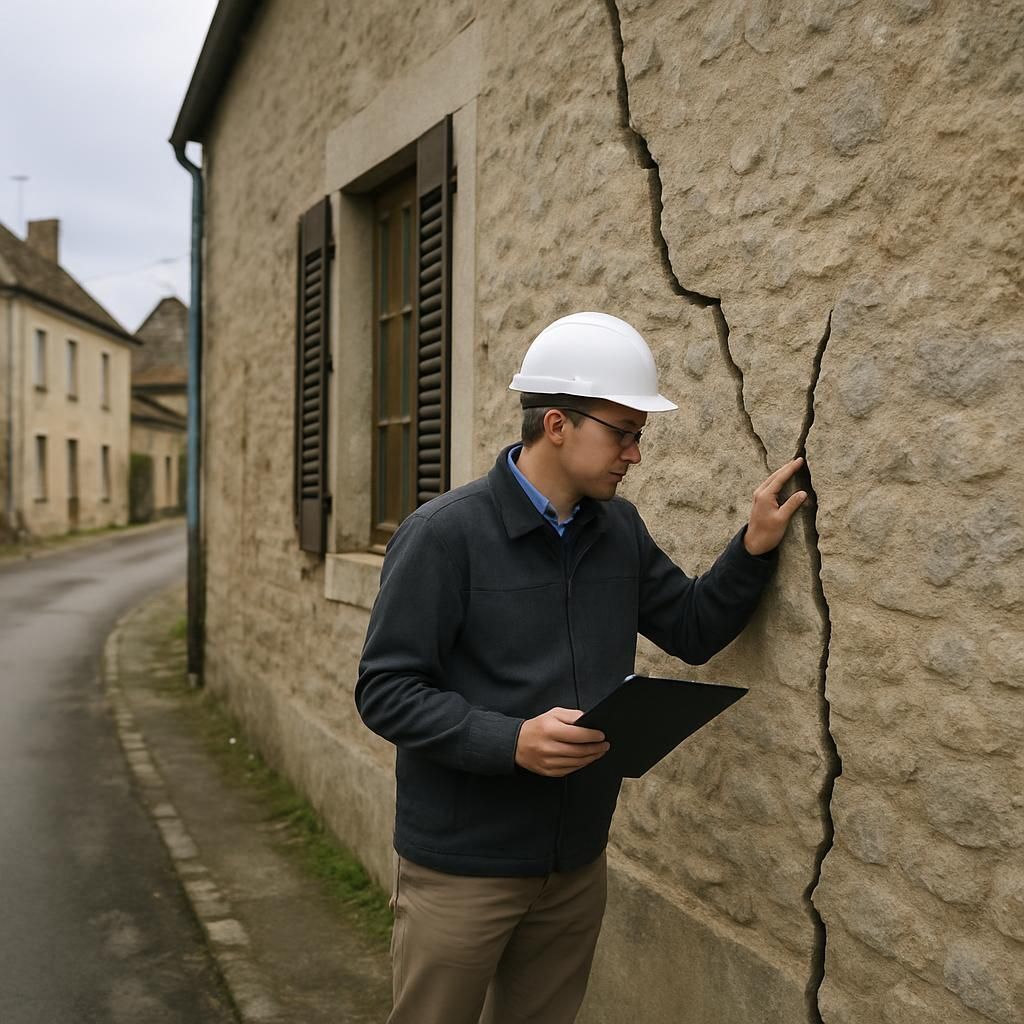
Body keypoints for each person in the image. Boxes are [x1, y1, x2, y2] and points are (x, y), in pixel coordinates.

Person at [355, 311, 806, 1024]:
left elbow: (690, 628)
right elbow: (385, 691)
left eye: (639, 436)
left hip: (575, 862)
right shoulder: (445, 535)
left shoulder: (618, 530)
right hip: (461, 867)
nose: (634, 453)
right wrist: (511, 741)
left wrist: (751, 548)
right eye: (622, 433)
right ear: (557, 423)